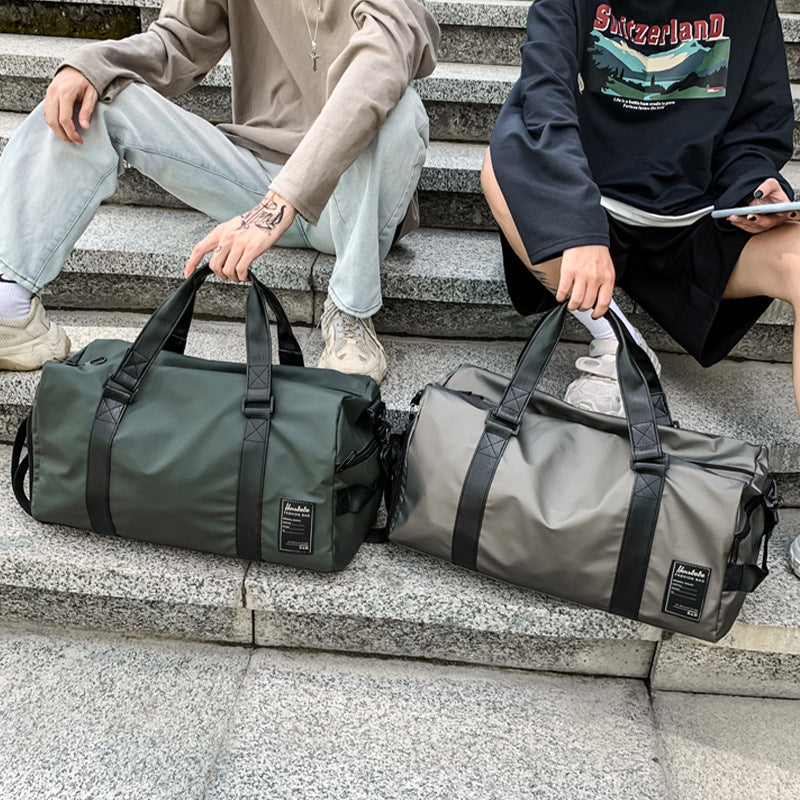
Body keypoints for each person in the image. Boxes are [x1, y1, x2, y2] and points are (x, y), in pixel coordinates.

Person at [481, 0, 800, 575]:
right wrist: (574, 222)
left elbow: (759, 128)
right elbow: (544, 93)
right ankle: (618, 340)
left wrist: (754, 188)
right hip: (592, 203)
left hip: (695, 216)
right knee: (498, 166)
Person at [0, 0, 439, 385]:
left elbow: (386, 54)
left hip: (351, 199)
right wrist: (94, 62)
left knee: (400, 108)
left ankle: (351, 313)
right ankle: (8, 303)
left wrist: (280, 203)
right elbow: (176, 44)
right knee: (94, 90)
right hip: (255, 176)